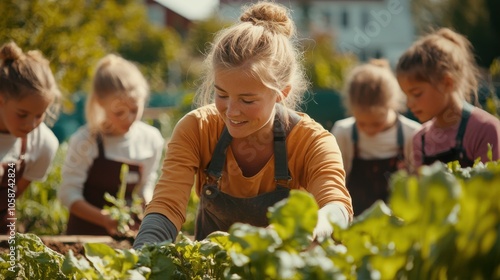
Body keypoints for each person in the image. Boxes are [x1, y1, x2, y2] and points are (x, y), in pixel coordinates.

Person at [133, 1, 352, 249]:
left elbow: (337, 207)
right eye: (222, 95)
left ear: (282, 92)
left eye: (247, 100)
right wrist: (143, 257)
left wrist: (312, 225)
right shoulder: (197, 129)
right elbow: (166, 206)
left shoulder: (311, 142)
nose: (232, 111)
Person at [58, 54, 164, 236]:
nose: (128, 118)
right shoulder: (86, 141)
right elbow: (68, 194)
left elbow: (147, 181)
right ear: (100, 104)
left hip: (129, 236)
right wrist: (104, 218)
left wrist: (147, 199)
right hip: (84, 238)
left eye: (134, 109)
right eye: (119, 112)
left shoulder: (151, 138)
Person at [396, 28, 500, 168]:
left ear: (447, 83)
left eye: (416, 94)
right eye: (406, 95)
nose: (409, 104)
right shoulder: (419, 139)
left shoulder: (485, 129)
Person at [331, 59, 421, 216]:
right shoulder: (343, 132)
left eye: (376, 123)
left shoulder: (412, 133)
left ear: (391, 106)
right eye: (361, 123)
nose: (369, 130)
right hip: (355, 224)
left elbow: (418, 186)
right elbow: (335, 183)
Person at [0, 41, 60, 234]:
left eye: (39, 115)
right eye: (22, 114)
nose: (31, 125)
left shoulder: (44, 144)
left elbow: (12, 196)